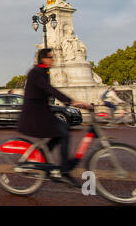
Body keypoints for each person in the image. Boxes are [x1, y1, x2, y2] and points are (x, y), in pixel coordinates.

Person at [18, 48, 91, 187]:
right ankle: (64, 171)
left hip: (42, 111)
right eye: (50, 57)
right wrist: (70, 101)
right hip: (35, 114)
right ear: (43, 59)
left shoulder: (44, 71)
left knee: (63, 129)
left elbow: (49, 90)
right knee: (63, 132)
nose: (53, 60)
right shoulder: (36, 72)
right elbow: (50, 89)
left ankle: (42, 158)